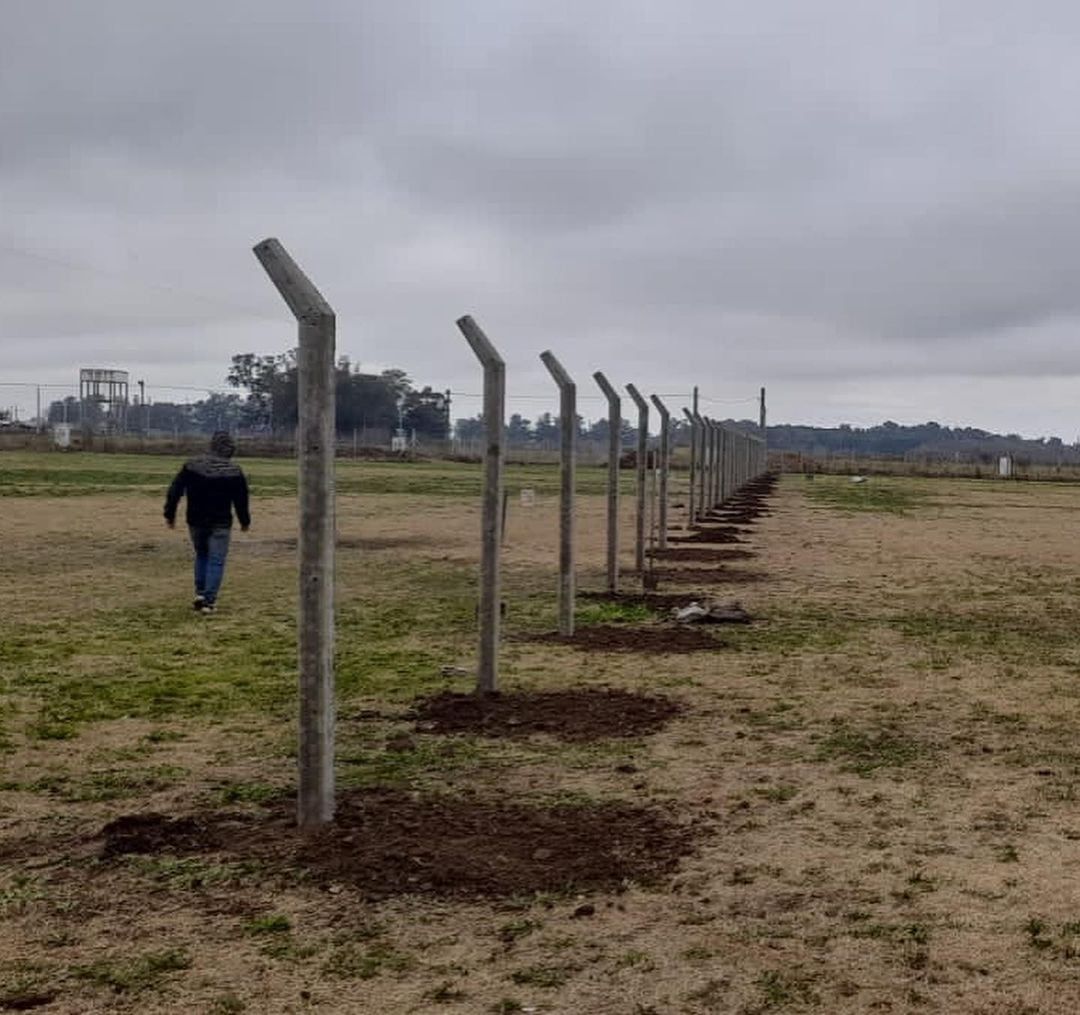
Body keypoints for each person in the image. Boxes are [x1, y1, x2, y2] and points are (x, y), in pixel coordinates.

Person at [163, 431, 250, 613]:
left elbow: (175, 490)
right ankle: (209, 601)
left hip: (195, 520)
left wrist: (170, 514)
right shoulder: (234, 471)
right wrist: (244, 521)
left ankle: (200, 593)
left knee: (202, 554)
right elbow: (241, 499)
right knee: (216, 560)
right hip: (221, 522)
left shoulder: (192, 465)